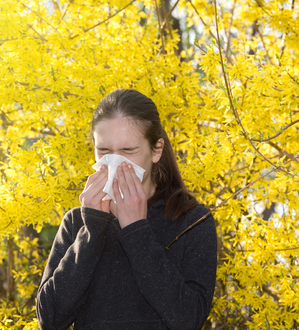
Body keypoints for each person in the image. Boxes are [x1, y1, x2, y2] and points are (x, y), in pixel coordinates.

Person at [36, 89, 217, 330]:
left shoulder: (191, 220)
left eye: (128, 151)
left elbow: (189, 319)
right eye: (104, 151)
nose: (115, 162)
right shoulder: (78, 222)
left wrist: (136, 230)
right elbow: (50, 319)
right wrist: (92, 230)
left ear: (156, 150)